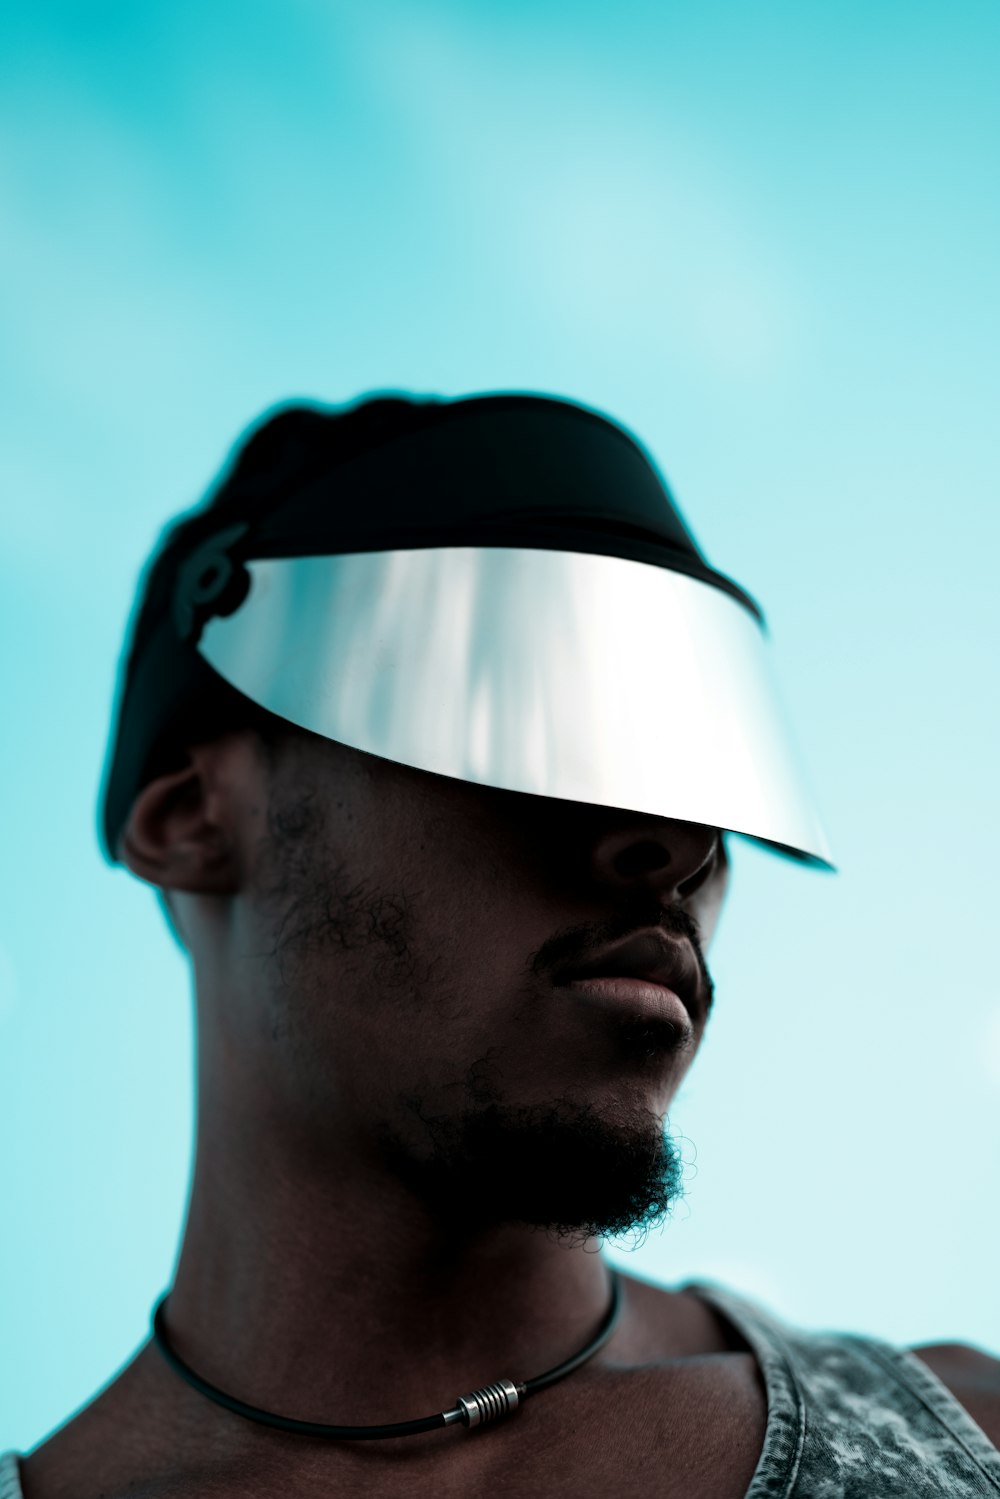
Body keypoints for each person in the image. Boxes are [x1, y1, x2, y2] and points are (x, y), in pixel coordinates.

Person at [5, 394, 998, 1499]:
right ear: (192, 816)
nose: (674, 842)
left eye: (708, 753)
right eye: (512, 707)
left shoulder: (972, 1440)